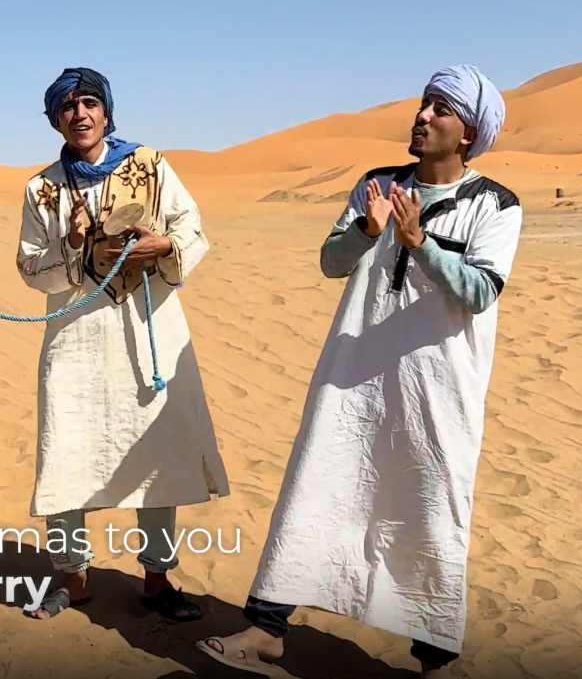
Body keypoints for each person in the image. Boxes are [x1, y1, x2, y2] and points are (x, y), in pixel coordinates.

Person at [196, 65, 523, 677]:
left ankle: (436, 658)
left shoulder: (495, 204)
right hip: (352, 378)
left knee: (431, 505)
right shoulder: (375, 185)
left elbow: (479, 292)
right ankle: (266, 629)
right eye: (424, 104)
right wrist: (370, 230)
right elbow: (330, 261)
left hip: (437, 390)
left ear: (470, 132)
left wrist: (420, 243)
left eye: (440, 110)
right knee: (316, 485)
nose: (422, 116)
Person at [15, 67, 231, 623]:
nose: (80, 114)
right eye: (68, 106)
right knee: (66, 448)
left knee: (156, 454)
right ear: (55, 119)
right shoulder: (41, 188)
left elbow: (194, 229)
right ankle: (73, 576)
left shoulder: (151, 166)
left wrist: (162, 245)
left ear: (107, 111)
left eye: (90, 103)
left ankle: (157, 581)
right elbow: (29, 266)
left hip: (149, 332)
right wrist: (79, 255)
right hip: (75, 337)